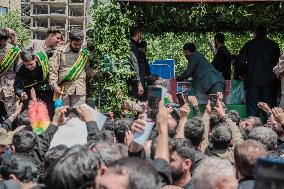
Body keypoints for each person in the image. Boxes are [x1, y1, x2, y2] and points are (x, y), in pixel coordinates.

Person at [239, 26, 280, 116]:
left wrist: (243, 74)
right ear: (266, 33)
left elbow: (241, 62)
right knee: (270, 110)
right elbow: (279, 64)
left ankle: (253, 129)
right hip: (270, 81)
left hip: (252, 81)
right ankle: (271, 128)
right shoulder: (273, 45)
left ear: (255, 33)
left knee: (253, 110)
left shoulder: (248, 45)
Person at [49, 29, 94, 107]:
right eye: (75, 44)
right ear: (70, 41)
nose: (78, 47)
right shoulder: (60, 52)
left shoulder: (85, 53)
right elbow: (53, 70)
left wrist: (97, 71)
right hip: (63, 91)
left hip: (79, 91)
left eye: (79, 44)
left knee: (77, 117)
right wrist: (54, 85)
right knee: (63, 117)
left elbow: (88, 71)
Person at [14, 50, 54, 117]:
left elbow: (54, 52)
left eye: (31, 64)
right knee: (33, 113)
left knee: (50, 110)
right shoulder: (20, 69)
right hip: (30, 90)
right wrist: (21, 93)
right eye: (26, 65)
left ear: (35, 58)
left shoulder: (43, 58)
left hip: (45, 87)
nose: (29, 67)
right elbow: (17, 86)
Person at [0, 29, 21, 116]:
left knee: (11, 112)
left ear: (4, 39)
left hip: (9, 88)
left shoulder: (14, 51)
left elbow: (18, 69)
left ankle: (11, 129)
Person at [129, 26, 145, 98]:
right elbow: (134, 63)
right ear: (138, 34)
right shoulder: (132, 45)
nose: (141, 36)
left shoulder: (134, 45)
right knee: (134, 100)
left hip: (136, 80)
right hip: (134, 81)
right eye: (141, 34)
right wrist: (139, 83)